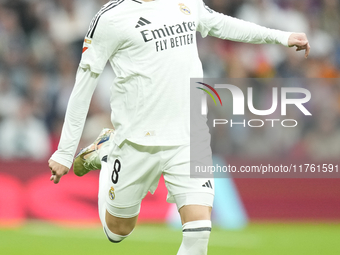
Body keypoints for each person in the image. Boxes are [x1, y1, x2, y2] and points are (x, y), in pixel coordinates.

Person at [48, 0, 310, 254]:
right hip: (136, 140)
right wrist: (65, 151)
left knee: (199, 233)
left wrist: (282, 37)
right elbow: (83, 86)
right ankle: (107, 153)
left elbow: (220, 24)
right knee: (118, 231)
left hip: (189, 136)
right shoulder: (110, 18)